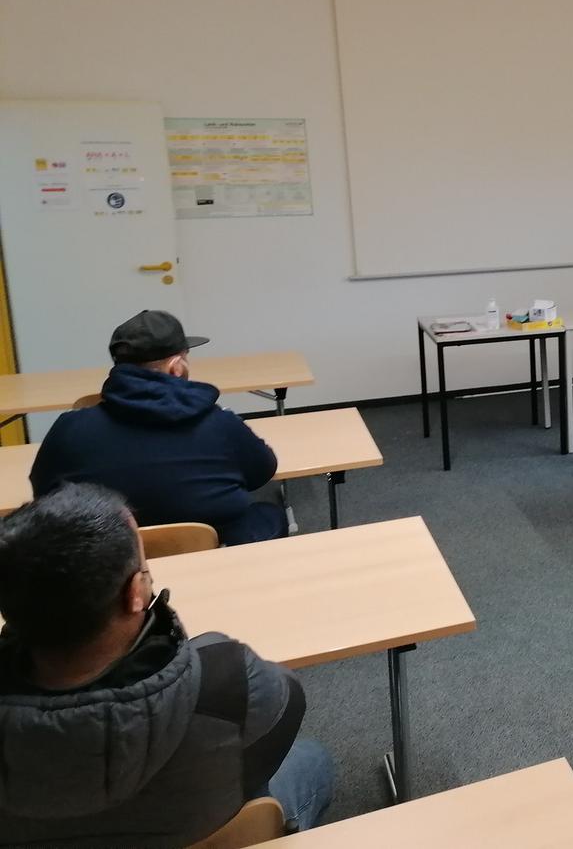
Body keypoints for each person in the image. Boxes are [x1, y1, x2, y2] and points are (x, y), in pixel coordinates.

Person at [0, 484, 333, 846]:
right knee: (312, 760)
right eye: (144, 569)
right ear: (135, 594)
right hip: (194, 821)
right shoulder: (229, 681)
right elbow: (287, 706)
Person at [29, 309, 285, 546]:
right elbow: (262, 470)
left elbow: (44, 492)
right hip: (209, 551)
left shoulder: (69, 428)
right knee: (268, 515)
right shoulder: (220, 423)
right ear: (176, 368)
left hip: (109, 560)